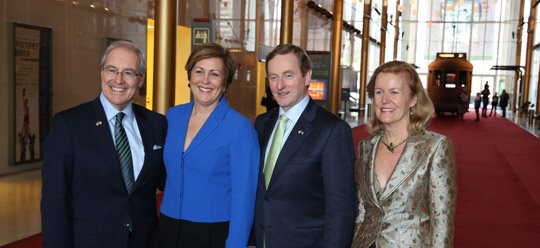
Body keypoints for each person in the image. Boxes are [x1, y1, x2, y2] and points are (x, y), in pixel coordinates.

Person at [41, 41, 167, 248]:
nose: (118, 80)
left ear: (141, 79)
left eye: (128, 73)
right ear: (101, 73)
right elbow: (54, 201)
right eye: (112, 70)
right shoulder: (69, 125)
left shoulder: (156, 124)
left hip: (145, 241)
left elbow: (168, 181)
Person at [250, 44, 357, 248]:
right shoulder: (262, 123)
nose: (279, 85)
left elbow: (341, 209)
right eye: (273, 77)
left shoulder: (332, 130)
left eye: (288, 76)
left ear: (307, 77)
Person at [159, 43, 260, 248]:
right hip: (168, 228)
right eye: (199, 71)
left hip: (213, 233)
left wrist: (236, 245)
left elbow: (245, 199)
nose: (205, 80)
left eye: (214, 74)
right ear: (190, 76)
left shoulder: (240, 129)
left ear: (225, 83)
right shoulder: (173, 117)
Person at [352, 61, 457, 248]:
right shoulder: (366, 147)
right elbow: (362, 211)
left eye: (394, 92)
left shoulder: (435, 147)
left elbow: (442, 222)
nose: (384, 100)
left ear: (413, 99)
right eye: (378, 92)